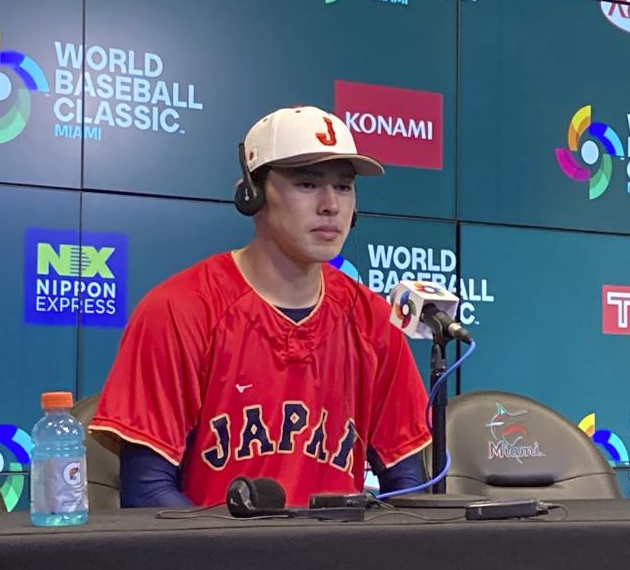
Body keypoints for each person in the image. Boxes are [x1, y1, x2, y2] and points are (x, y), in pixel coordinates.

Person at [90, 105, 431, 507]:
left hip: (339, 562)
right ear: (252, 194)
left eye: (343, 186)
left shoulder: (373, 321)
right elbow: (147, 494)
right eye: (307, 184)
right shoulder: (179, 310)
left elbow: (407, 484)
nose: (331, 206)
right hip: (215, 564)